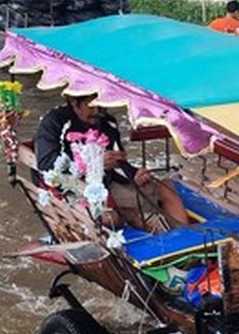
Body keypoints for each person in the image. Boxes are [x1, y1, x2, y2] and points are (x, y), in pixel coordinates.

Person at [35, 94, 190, 232]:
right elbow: (46, 165)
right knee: (111, 218)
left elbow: (119, 164)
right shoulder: (54, 122)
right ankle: (128, 215)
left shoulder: (107, 122)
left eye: (101, 105)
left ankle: (186, 238)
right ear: (74, 102)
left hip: (106, 185)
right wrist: (94, 164)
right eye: (91, 106)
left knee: (166, 188)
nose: (97, 111)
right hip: (71, 190)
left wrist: (134, 175)